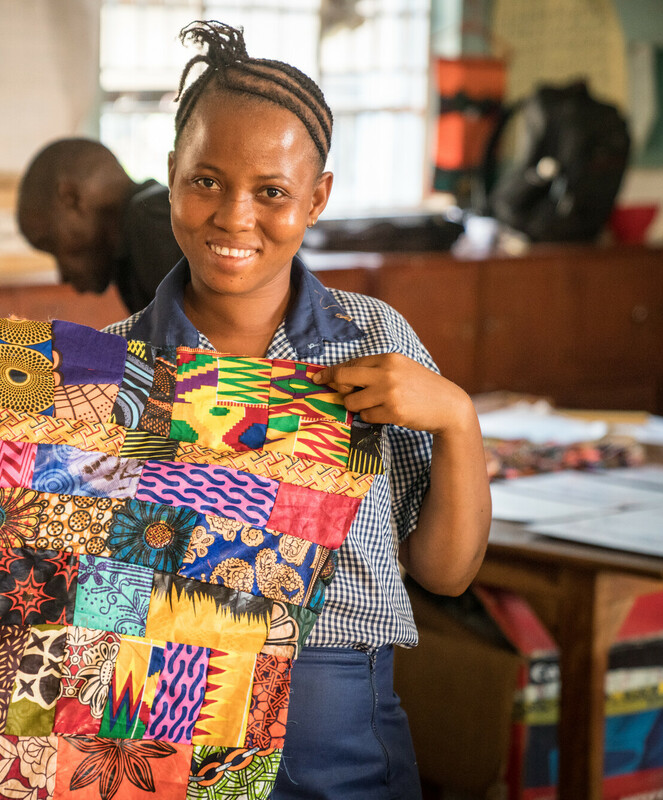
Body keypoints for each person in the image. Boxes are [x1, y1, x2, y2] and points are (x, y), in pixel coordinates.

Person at [103, 21, 492, 799]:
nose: (233, 216)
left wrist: (454, 418)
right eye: (205, 180)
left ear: (316, 199)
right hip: (147, 712)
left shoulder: (373, 340)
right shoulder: (106, 367)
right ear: (171, 173)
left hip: (335, 724)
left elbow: (445, 574)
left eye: (271, 192)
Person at [16, 138, 182, 313]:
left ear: (71, 199)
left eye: (50, 243)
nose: (62, 276)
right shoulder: (127, 255)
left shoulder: (149, 220)